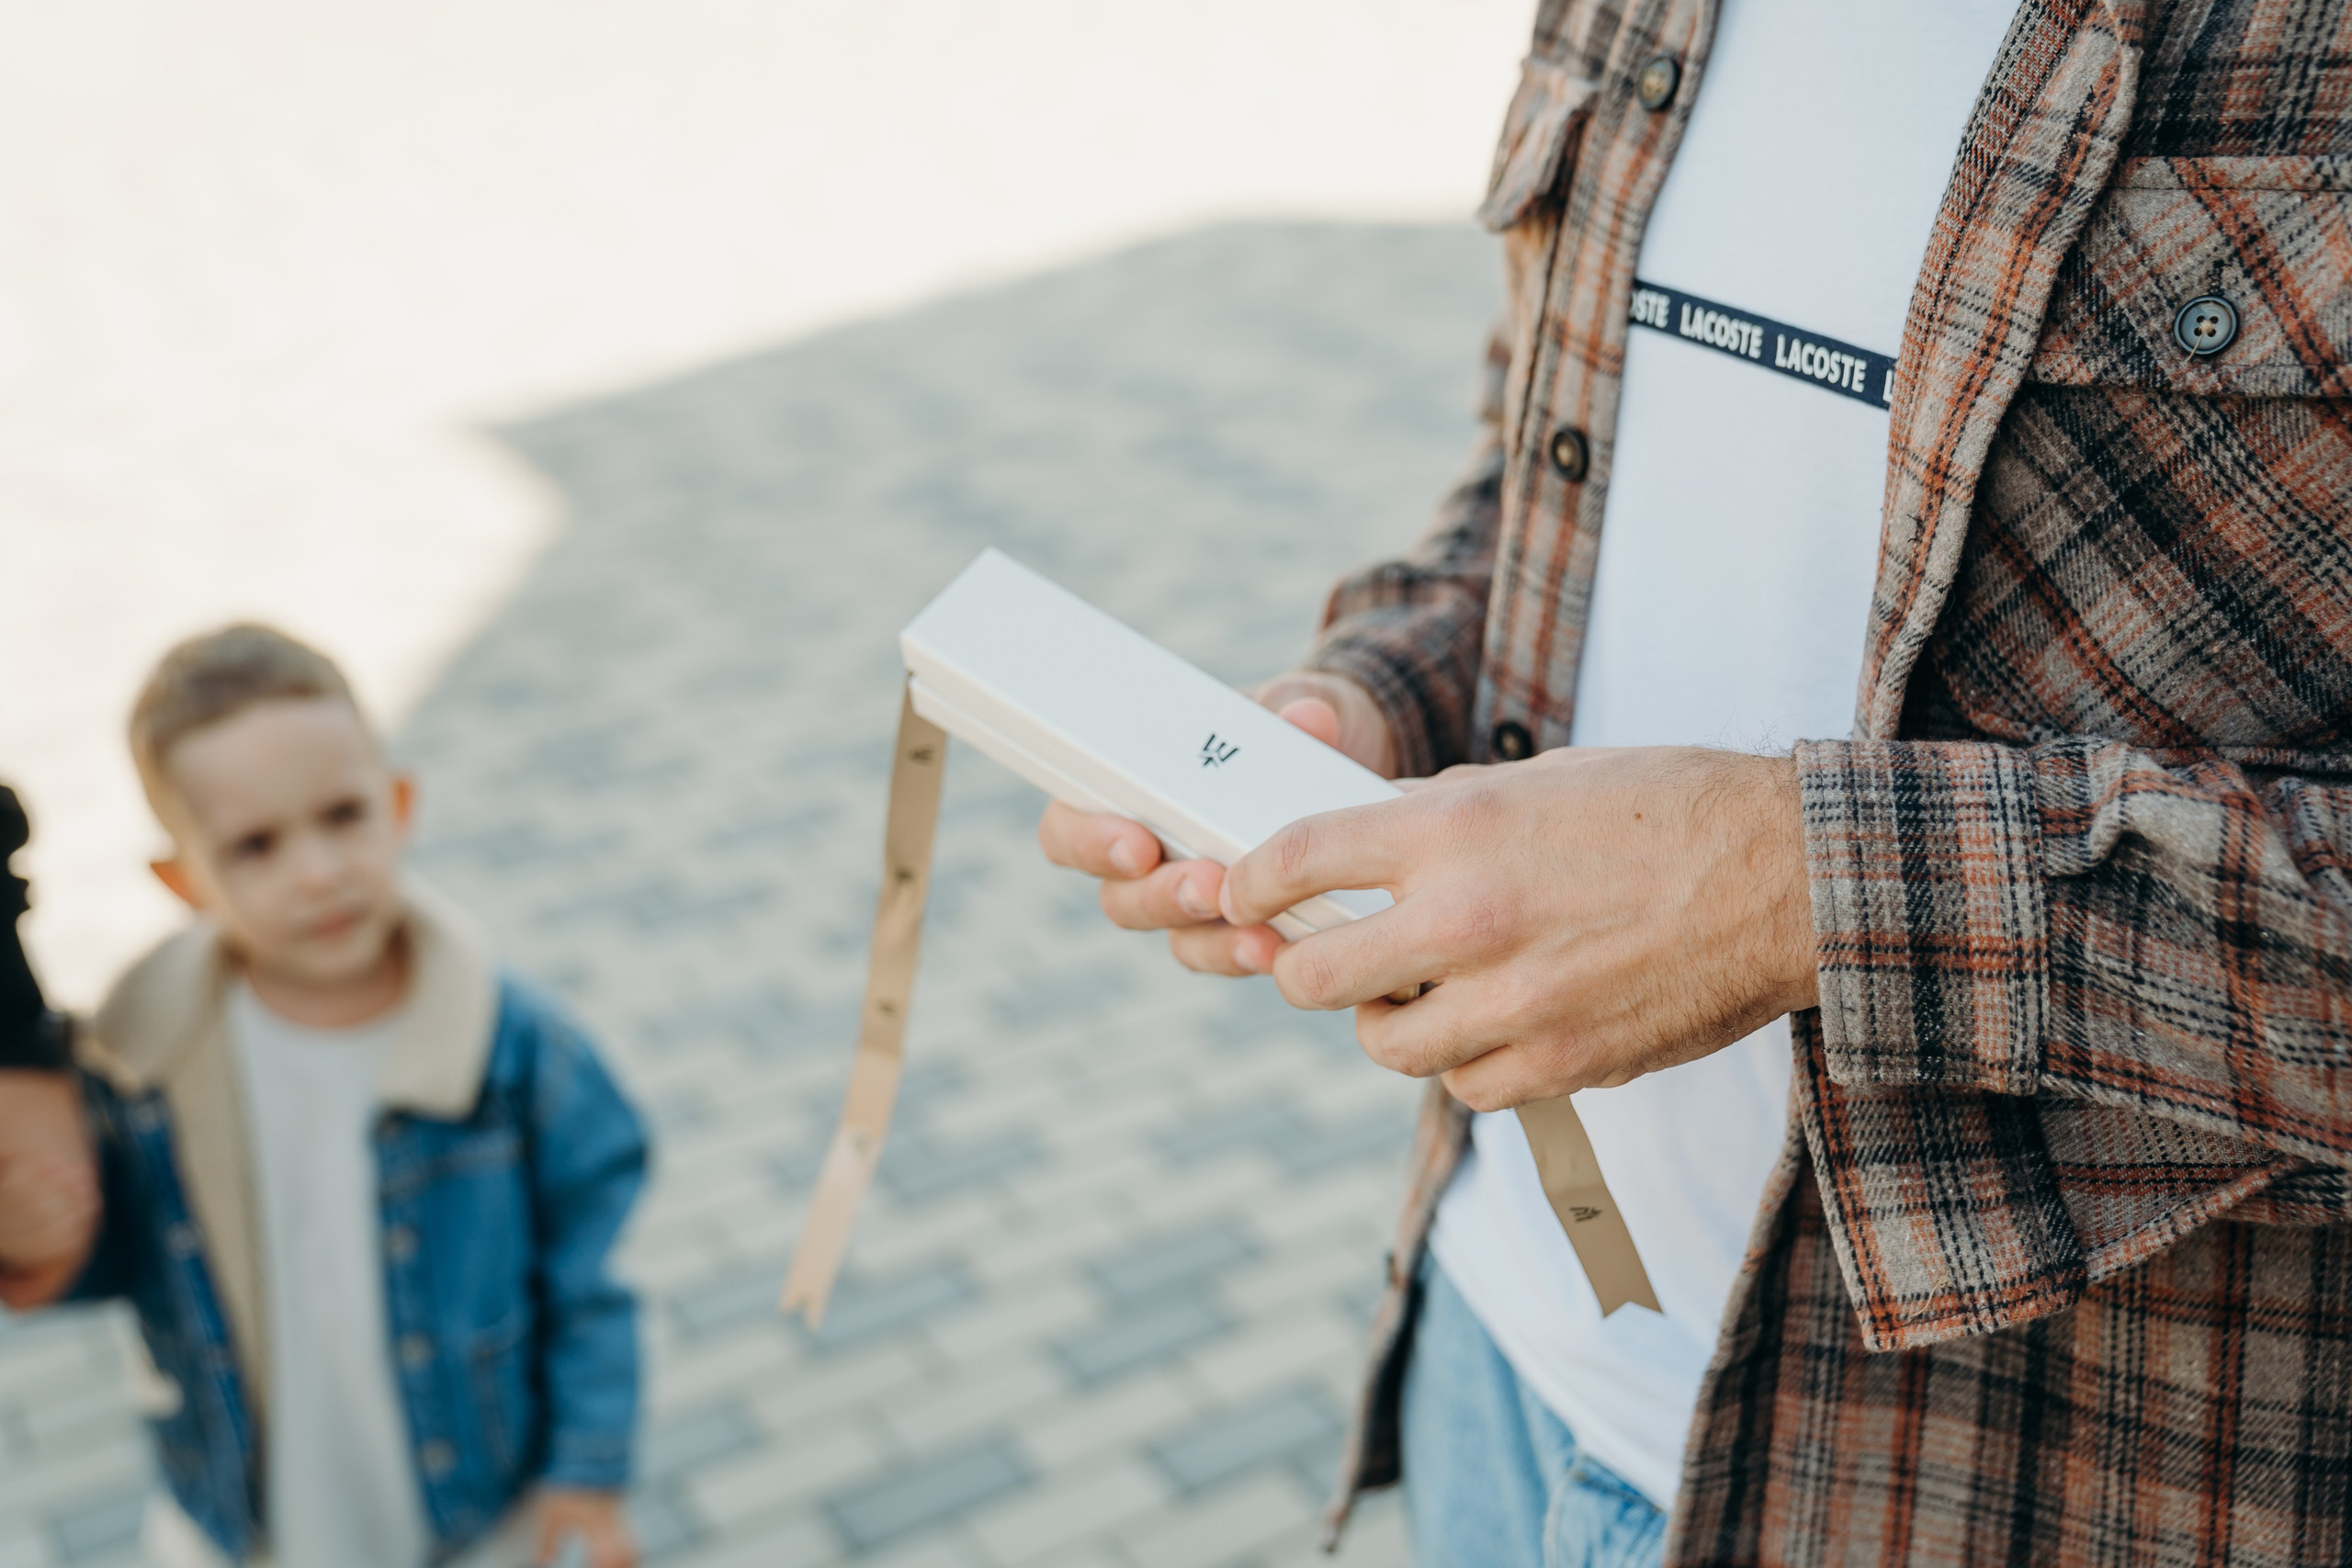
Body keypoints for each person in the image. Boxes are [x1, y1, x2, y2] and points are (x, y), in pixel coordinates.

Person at [1042, 0, 2352, 1563]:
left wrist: (1799, 885)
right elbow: (1561, 448)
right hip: (1506, 1368)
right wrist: (1384, 696)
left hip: (2026, 1484)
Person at [1, 625, 649, 1568]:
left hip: (481, 1516)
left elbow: (588, 1281)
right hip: (244, 1522)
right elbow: (115, 1264)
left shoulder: (510, 1050)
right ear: (183, 880)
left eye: (342, 816)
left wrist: (585, 1472)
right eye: (255, 846)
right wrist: (34, 1230)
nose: (317, 872)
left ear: (399, 804)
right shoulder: (147, 1065)